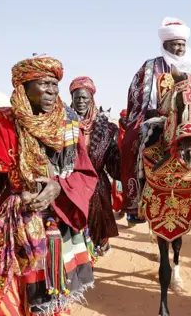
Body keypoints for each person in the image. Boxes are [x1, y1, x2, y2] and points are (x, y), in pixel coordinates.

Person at [0, 54, 98, 315]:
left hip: (57, 222)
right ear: (23, 87)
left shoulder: (68, 124)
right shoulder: (2, 123)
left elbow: (85, 172)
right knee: (7, 299)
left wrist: (59, 187)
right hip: (13, 226)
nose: (51, 90)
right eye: (43, 83)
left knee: (53, 302)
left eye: (54, 84)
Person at [121, 17, 191, 225]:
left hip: (187, 120)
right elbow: (137, 93)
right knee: (130, 143)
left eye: (183, 44)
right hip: (156, 118)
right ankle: (135, 201)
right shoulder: (150, 66)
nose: (180, 48)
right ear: (165, 45)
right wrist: (149, 110)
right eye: (176, 44)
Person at [70, 76, 120, 256]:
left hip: (97, 186)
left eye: (84, 97)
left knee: (97, 228)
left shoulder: (106, 127)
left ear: (92, 99)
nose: (81, 101)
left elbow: (114, 161)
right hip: (71, 185)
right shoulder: (64, 124)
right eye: (77, 98)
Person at [112, 109, 127, 214]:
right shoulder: (116, 133)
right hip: (119, 164)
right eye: (123, 119)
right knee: (118, 188)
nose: (125, 122)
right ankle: (121, 208)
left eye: (127, 119)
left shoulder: (134, 133)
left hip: (130, 164)